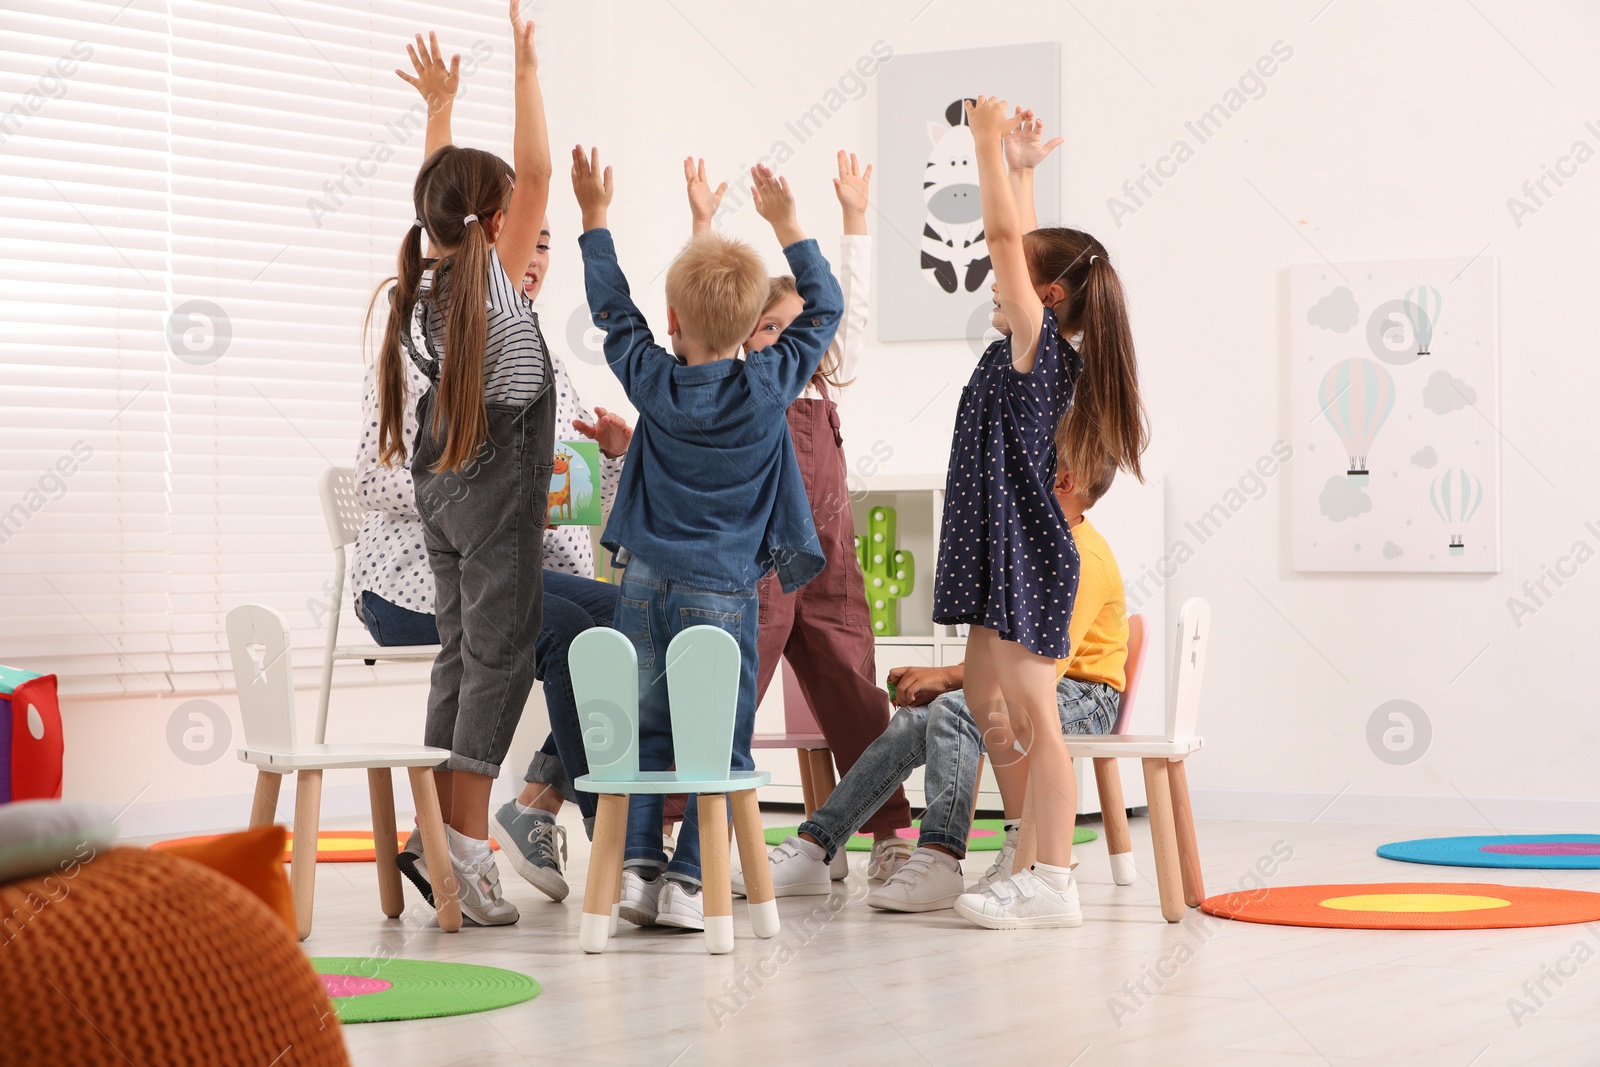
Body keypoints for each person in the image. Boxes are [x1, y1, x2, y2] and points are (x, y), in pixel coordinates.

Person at [573, 148, 842, 932]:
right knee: (716, 738)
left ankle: (637, 870)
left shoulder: (652, 382)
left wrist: (595, 217)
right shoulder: (770, 383)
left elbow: (612, 311)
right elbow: (822, 307)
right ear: (758, 324)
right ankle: (692, 878)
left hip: (645, 584)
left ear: (676, 322)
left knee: (648, 728)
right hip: (724, 594)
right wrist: (788, 222)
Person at [737, 445, 1126, 914]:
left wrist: (945, 678)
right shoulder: (1027, 547)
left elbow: (1038, 670)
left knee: (954, 709)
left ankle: (941, 854)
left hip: (1087, 695)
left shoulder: (1080, 559)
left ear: (1062, 483)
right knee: (915, 717)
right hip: (1034, 682)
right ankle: (816, 846)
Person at [935, 98, 1148, 930]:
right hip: (996, 550)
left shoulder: (1034, 344)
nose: (1001, 280)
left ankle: (1053, 877)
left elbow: (1001, 244)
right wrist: (1024, 170)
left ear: (1046, 295)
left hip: (1026, 554)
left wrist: (984, 145)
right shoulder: (1033, 343)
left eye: (1020, 277)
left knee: (1032, 713)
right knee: (990, 704)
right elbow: (1021, 247)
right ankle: (1025, 847)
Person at [369, 2, 552, 927]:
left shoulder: (428, 279)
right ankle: (470, 848)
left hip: (440, 490)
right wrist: (524, 67)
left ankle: (431, 840)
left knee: (459, 656)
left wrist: (440, 111)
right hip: (494, 496)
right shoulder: (485, 273)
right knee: (502, 661)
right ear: (496, 218)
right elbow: (539, 172)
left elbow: (441, 193)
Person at [685, 152, 914, 884]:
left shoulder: (819, 374)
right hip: (756, 567)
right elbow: (701, 310)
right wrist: (702, 225)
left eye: (795, 328)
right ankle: (698, 837)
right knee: (729, 697)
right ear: (741, 336)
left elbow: (847, 304)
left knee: (855, 691)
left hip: (829, 568)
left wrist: (853, 217)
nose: (781, 339)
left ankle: (886, 828)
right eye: (765, 327)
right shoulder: (737, 390)